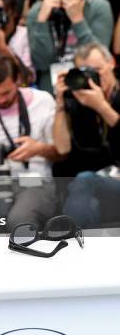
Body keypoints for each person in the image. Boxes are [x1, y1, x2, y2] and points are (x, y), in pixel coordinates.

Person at [0, 55, 60, 231]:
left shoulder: (43, 101)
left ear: (18, 81)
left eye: (6, 93)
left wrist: (38, 149)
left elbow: (61, 153)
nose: (0, 100)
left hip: (36, 180)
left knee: (20, 220)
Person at [27, 0, 114, 93]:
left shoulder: (99, 6)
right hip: (52, 90)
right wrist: (42, 20)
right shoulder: (37, 11)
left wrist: (78, 20)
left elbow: (101, 58)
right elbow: (40, 62)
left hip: (91, 88)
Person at [55, 43, 120, 226]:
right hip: (90, 187)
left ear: (112, 63)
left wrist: (102, 107)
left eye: (97, 70)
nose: (92, 78)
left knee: (85, 179)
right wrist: (60, 104)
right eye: (85, 73)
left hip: (103, 181)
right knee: (87, 202)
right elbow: (62, 148)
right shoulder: (77, 100)